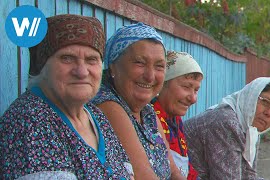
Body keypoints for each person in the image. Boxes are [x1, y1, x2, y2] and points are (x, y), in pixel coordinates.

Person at [0, 14, 132, 179]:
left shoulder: (95, 115)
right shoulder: (30, 120)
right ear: (43, 66)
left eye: (92, 60)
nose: (82, 72)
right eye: (67, 58)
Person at [91, 23, 185, 179]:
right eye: (140, 63)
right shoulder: (107, 104)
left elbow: (174, 172)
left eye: (159, 66)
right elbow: (143, 175)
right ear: (113, 66)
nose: (150, 76)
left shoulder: (147, 111)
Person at [184, 77, 270, 179]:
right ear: (251, 97)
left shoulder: (250, 128)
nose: (269, 113)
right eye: (265, 102)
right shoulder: (226, 123)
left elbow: (248, 176)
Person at [151, 51, 203, 179]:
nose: (193, 98)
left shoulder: (175, 121)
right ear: (163, 84)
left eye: (196, 90)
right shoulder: (149, 119)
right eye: (186, 87)